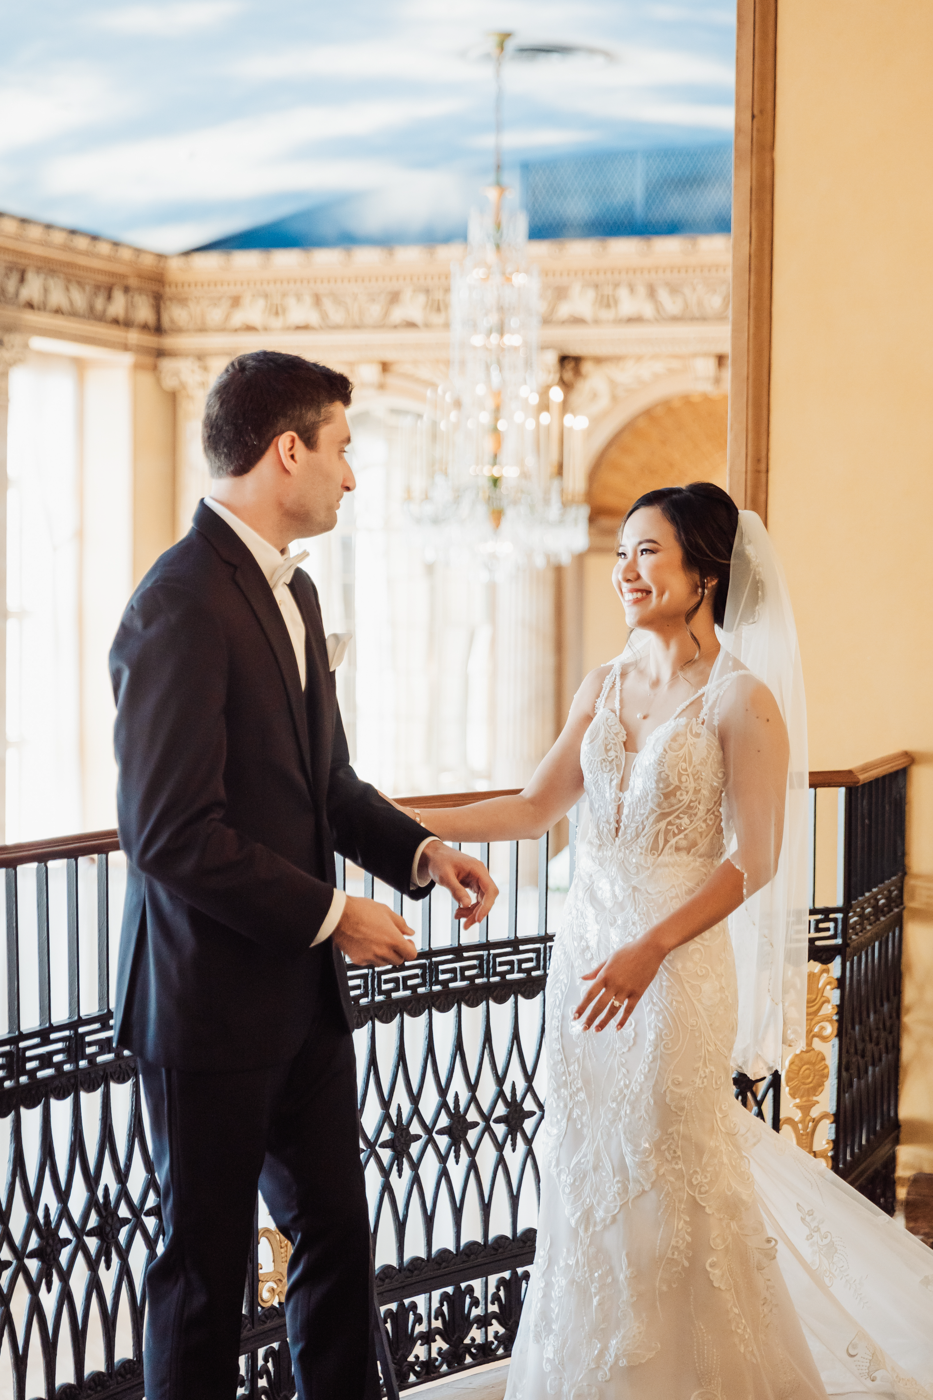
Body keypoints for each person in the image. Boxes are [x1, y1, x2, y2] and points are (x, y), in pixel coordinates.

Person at [410, 483, 933, 1399]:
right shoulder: (601, 685)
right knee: (586, 1166)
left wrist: (651, 947)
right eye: (622, 553)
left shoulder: (741, 701)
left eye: (649, 553)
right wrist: (379, 816)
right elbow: (534, 809)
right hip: (584, 965)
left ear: (704, 574)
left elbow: (755, 861)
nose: (626, 571)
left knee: (665, 1163)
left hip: (674, 969)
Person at [109, 350, 498, 1400]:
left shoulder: (301, 587)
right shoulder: (177, 602)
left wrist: (419, 850)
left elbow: (325, 781)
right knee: (203, 1281)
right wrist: (337, 914)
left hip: (302, 1007)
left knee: (337, 1243)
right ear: (290, 450)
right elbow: (172, 831)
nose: (352, 476)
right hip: (207, 1009)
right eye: (344, 448)